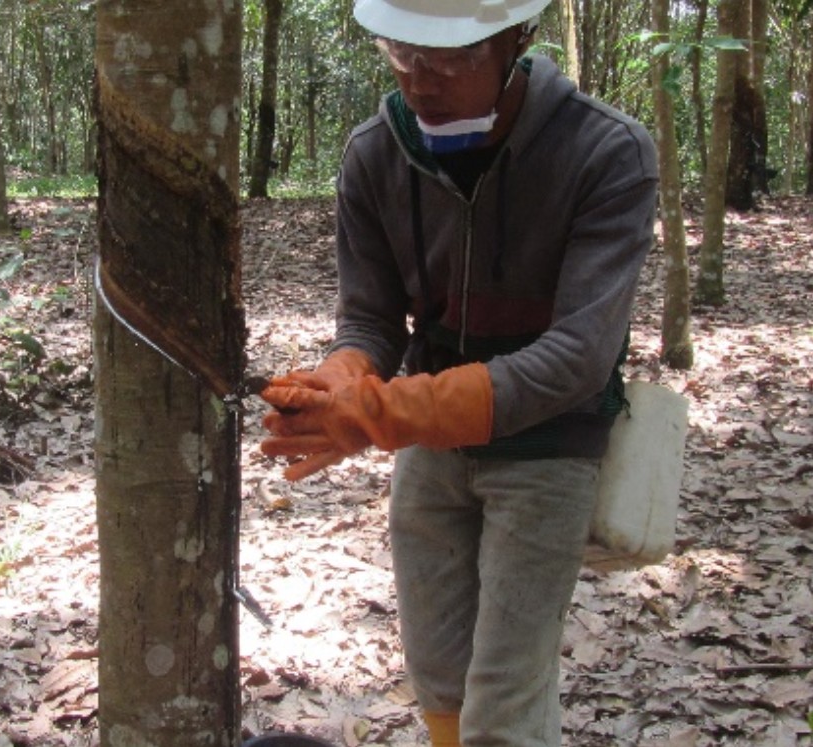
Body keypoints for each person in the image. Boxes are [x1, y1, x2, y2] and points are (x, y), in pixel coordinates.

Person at [259, 0, 659, 744]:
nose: (420, 80)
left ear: (518, 42)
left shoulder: (605, 153)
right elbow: (372, 318)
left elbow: (578, 355)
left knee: (506, 697)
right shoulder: (376, 153)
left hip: (549, 445)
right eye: (402, 53)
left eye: (451, 58)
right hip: (433, 447)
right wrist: (344, 377)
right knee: (439, 673)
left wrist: (383, 415)